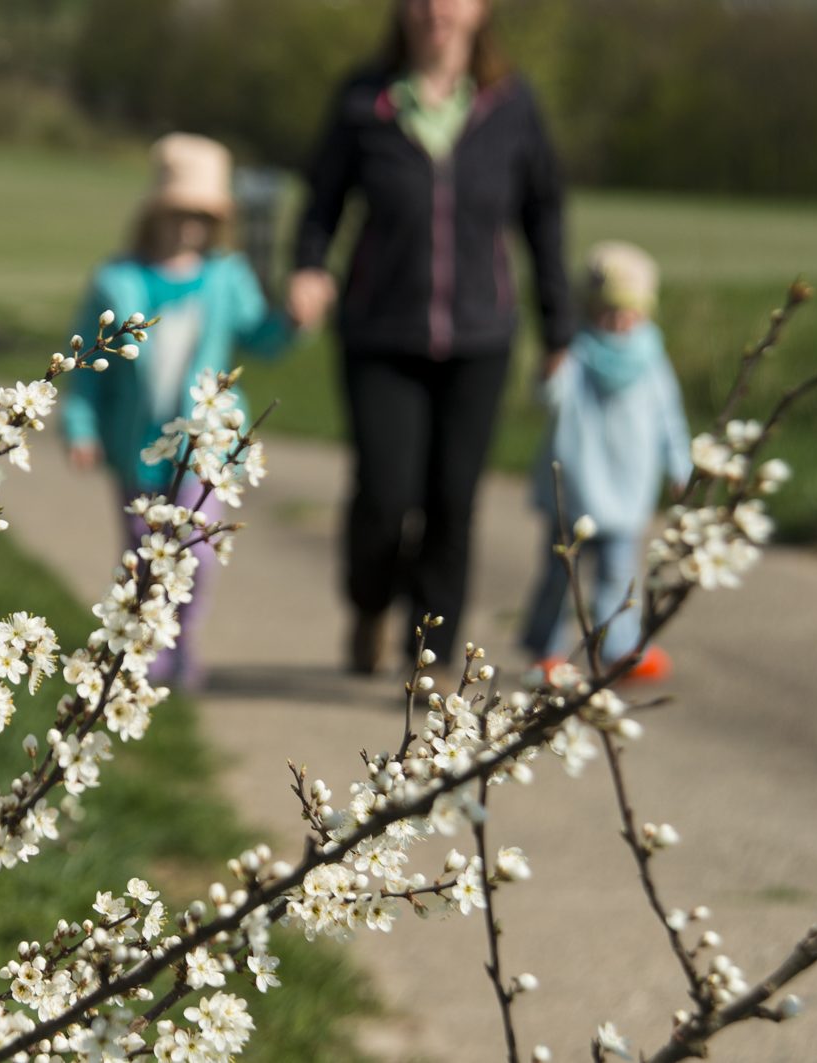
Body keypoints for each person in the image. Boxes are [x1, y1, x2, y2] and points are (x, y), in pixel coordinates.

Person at [287, 0, 572, 673]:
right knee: (385, 495)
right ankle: (368, 604)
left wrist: (560, 325)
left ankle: (432, 660)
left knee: (452, 500)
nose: (431, 10)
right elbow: (321, 201)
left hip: (480, 338)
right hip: (381, 333)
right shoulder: (366, 99)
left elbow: (545, 215)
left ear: (480, 9)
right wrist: (307, 268)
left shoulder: (512, 103)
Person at [62, 132, 292, 692]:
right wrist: (80, 427)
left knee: (196, 554)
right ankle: (141, 647)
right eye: (180, 212)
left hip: (205, 445)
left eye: (202, 215)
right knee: (143, 551)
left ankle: (181, 642)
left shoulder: (226, 277)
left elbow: (259, 337)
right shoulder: (117, 281)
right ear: (157, 213)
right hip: (135, 445)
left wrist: (293, 318)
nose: (190, 225)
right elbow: (87, 365)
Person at [520, 241, 691, 682]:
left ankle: (618, 648)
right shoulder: (575, 352)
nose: (619, 321)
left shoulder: (652, 359)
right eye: (608, 311)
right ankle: (547, 650)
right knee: (561, 579)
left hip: (626, 490)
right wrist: (549, 367)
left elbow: (668, 415)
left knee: (619, 577)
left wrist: (681, 466)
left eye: (629, 312)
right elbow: (548, 396)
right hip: (574, 489)